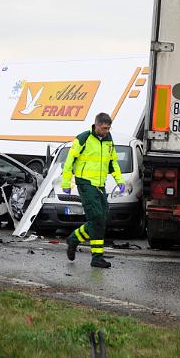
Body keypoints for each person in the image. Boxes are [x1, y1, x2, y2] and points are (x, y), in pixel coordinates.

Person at [61, 112, 130, 269]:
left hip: (100, 184)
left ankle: (74, 239)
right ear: (96, 125)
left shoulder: (108, 140)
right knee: (97, 218)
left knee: (101, 220)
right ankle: (96, 257)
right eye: (104, 128)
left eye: (108, 128)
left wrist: (120, 180)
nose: (106, 131)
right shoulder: (83, 138)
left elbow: (113, 162)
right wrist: (66, 181)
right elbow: (70, 160)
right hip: (85, 183)